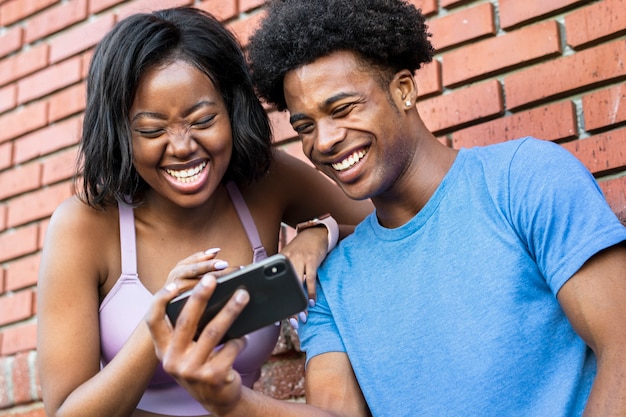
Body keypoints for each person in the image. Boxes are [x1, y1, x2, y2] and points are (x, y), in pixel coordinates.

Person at [145, 0, 626, 416]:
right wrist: (229, 400)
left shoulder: (524, 179)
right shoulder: (331, 281)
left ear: (403, 90)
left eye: (342, 108)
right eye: (305, 125)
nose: (325, 141)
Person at [36, 6, 372, 417]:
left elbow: (386, 227)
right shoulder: (84, 225)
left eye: (203, 120)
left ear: (232, 111)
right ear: (122, 133)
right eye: (152, 130)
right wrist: (160, 324)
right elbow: (64, 412)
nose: (181, 146)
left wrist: (322, 233)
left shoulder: (265, 182)